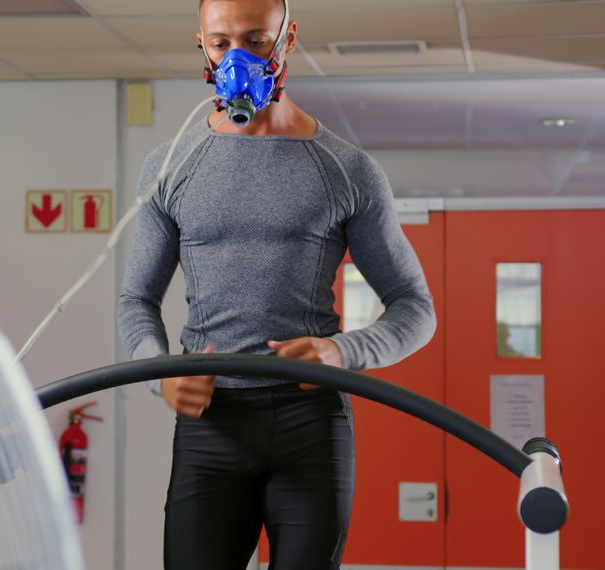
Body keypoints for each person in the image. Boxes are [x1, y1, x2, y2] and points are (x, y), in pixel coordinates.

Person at [117, 0, 436, 567]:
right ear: (202, 46)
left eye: (256, 40)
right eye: (220, 44)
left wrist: (342, 352)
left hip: (309, 422)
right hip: (210, 422)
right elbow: (136, 299)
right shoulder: (171, 165)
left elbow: (415, 307)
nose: (236, 58)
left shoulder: (347, 169)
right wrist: (158, 375)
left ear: (289, 38)